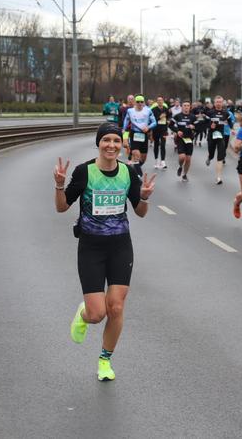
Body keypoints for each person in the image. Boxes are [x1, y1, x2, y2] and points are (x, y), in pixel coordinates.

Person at [53, 122, 157, 381]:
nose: (111, 145)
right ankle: (83, 313)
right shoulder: (84, 172)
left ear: (122, 145)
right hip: (91, 247)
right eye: (106, 140)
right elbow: (62, 207)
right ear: (98, 144)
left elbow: (140, 213)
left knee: (117, 307)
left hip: (120, 246)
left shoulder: (128, 173)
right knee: (97, 314)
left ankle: (105, 360)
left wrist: (143, 197)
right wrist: (58, 185)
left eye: (116, 141)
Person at [122, 95, 157, 178]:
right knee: (136, 153)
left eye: (141, 102)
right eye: (138, 101)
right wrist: (124, 129)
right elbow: (126, 120)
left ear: (144, 102)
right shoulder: (130, 111)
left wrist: (148, 127)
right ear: (135, 102)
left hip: (144, 134)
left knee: (143, 159)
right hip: (134, 133)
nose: (140, 103)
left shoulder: (148, 110)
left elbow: (154, 122)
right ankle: (138, 174)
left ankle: (135, 167)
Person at [205, 95, 233, 184]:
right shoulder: (210, 112)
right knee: (212, 153)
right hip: (211, 135)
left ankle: (218, 177)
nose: (218, 103)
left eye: (220, 102)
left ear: (222, 103)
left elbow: (230, 123)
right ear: (214, 103)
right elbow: (204, 124)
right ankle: (209, 157)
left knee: (220, 156)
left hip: (221, 136)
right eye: (217, 102)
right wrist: (210, 126)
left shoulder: (226, 113)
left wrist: (233, 129)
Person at [169, 101, 197, 182]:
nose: (186, 107)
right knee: (182, 157)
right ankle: (180, 166)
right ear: (182, 107)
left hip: (189, 139)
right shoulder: (177, 116)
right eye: (184, 105)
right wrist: (177, 131)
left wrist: (194, 127)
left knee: (188, 159)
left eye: (188, 105)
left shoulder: (193, 117)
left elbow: (198, 127)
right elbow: (170, 125)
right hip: (180, 139)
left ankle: (184, 175)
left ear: (190, 107)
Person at [151, 96, 171, 170]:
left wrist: (169, 120)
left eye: (161, 100)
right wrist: (159, 117)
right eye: (158, 100)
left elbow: (169, 116)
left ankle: (163, 161)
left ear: (163, 101)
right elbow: (152, 120)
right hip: (156, 129)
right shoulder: (153, 110)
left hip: (163, 130)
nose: (160, 102)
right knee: (156, 144)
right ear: (156, 102)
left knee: (163, 145)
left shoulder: (166, 109)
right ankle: (156, 160)